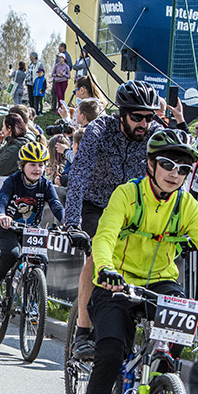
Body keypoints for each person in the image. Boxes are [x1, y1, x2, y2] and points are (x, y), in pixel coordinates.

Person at [72, 129, 198, 394]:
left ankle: (161, 389)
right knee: (110, 355)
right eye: (167, 164)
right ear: (150, 163)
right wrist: (105, 268)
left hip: (160, 282)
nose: (175, 173)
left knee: (178, 333)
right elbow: (104, 236)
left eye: (183, 168)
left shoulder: (186, 205)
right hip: (117, 281)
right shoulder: (126, 194)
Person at [64, 80, 164, 361]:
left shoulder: (154, 134)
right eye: (137, 117)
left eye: (149, 116)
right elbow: (79, 175)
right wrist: (72, 222)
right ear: (122, 114)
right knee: (98, 254)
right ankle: (83, 331)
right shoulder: (99, 130)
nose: (144, 123)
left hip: (132, 208)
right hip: (96, 204)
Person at [0, 142, 65, 306]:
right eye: (32, 165)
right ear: (22, 165)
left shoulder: (45, 185)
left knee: (42, 259)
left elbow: (56, 205)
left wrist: (68, 223)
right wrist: (3, 215)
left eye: (40, 165)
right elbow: (2, 200)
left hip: (31, 230)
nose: (37, 169)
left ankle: (34, 300)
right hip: (8, 227)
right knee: (12, 254)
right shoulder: (13, 181)